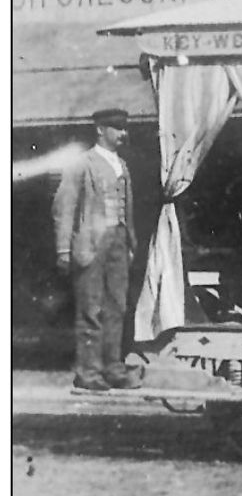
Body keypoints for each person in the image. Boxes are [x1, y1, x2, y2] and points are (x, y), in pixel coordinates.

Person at [53, 107, 140, 391]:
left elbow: (128, 208)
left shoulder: (122, 164)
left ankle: (113, 368)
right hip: (90, 244)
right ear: (100, 129)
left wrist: (129, 242)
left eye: (125, 128)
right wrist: (63, 249)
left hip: (118, 241)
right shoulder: (83, 163)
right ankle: (88, 372)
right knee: (91, 308)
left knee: (117, 306)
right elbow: (63, 208)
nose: (123, 133)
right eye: (117, 128)